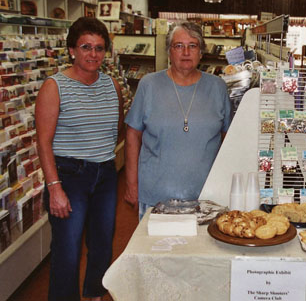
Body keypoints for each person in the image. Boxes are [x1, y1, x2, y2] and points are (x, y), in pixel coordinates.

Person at [35, 17, 123, 301]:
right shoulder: (54, 86)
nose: (93, 54)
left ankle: (95, 294)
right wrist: (54, 187)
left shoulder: (113, 86)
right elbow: (44, 142)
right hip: (69, 175)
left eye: (99, 48)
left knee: (102, 244)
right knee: (67, 249)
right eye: (86, 47)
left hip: (106, 173)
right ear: (72, 49)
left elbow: (116, 128)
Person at [125, 21, 232, 219]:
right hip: (155, 197)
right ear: (169, 51)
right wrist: (131, 184)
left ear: (201, 52)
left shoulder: (217, 87)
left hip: (206, 197)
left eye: (193, 46)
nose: (186, 52)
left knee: (200, 250)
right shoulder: (148, 85)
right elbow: (132, 135)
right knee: (155, 249)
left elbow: (228, 138)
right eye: (178, 46)